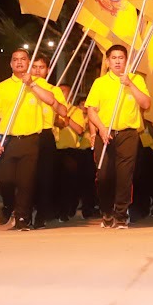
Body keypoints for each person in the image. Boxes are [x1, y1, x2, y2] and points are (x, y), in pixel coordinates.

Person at [0, 49, 61, 230]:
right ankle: (8, 206)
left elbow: (51, 100)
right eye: (15, 60)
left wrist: (32, 85)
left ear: (29, 63)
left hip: (31, 140)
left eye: (23, 59)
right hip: (8, 140)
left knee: (25, 182)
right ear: (11, 64)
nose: (19, 62)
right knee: (4, 178)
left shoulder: (38, 84)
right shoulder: (2, 87)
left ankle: (22, 217)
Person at [86, 44, 151, 229]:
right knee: (104, 174)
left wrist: (130, 84)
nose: (117, 61)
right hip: (105, 134)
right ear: (107, 61)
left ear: (126, 60)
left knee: (125, 176)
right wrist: (101, 128)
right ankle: (106, 210)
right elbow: (91, 110)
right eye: (113, 58)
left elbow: (146, 103)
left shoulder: (136, 79)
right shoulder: (100, 83)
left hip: (128, 134)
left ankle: (121, 214)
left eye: (121, 57)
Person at [30, 54, 68, 228]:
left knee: (45, 177)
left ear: (48, 70)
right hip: (26, 134)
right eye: (35, 67)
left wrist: (55, 105)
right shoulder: (23, 86)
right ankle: (24, 210)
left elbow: (63, 112)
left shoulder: (54, 89)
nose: (38, 70)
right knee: (26, 176)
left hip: (45, 134)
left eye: (41, 67)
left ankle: (42, 214)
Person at [54, 84, 85, 220]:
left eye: (63, 92)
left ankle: (66, 210)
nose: (59, 94)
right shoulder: (51, 109)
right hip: (54, 150)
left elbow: (79, 130)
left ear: (70, 95)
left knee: (68, 183)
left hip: (69, 152)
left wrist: (67, 118)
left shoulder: (75, 111)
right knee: (55, 183)